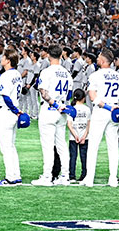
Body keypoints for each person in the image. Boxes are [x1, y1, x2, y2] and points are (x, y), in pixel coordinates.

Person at [84, 49, 119, 187]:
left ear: (102, 61)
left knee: (93, 145)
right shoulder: (118, 76)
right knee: (113, 146)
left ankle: (90, 178)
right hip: (114, 112)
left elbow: (92, 96)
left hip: (102, 110)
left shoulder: (95, 75)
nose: (97, 59)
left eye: (98, 57)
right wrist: (116, 108)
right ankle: (113, 178)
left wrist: (108, 107)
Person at [33, 44, 73, 186]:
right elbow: (69, 94)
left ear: (49, 55)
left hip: (50, 108)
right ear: (61, 55)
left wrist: (54, 103)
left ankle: (47, 176)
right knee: (62, 144)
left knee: (48, 146)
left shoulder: (47, 71)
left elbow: (43, 93)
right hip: (62, 109)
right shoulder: (67, 73)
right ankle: (65, 176)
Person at [0, 45, 24, 186]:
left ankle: (10, 177)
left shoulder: (6, 75)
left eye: (4, 57)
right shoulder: (17, 74)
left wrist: (15, 110)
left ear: (8, 60)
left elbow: (5, 96)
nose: (2, 59)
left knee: (5, 147)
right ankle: (16, 175)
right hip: (13, 113)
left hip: (7, 112)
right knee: (11, 146)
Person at [68, 89, 91, 182]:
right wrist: (84, 136)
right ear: (83, 98)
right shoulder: (87, 109)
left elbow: (69, 124)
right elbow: (88, 124)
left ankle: (72, 175)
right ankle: (84, 174)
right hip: (84, 136)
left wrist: (75, 135)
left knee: (73, 156)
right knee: (84, 156)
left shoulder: (71, 108)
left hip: (73, 136)